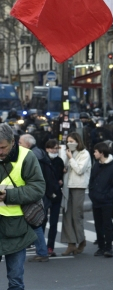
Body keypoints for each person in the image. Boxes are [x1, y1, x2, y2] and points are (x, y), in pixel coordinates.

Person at [0, 123, 45, 286]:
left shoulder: (26, 156)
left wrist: (9, 195)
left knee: (15, 280)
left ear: (12, 142)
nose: (0, 152)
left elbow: (38, 188)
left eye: (3, 147)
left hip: (17, 227)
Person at [19, 133, 59, 262]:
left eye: (20, 143)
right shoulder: (39, 152)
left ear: (28, 144)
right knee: (35, 223)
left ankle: (41, 251)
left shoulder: (32, 155)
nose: (18, 145)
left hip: (35, 194)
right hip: (41, 193)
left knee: (34, 224)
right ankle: (40, 250)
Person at [89, 141, 113, 258]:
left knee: (107, 224)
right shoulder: (96, 165)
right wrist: (92, 194)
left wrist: (107, 196)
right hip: (96, 200)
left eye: (95, 151)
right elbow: (92, 180)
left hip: (107, 201)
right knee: (98, 225)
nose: (94, 153)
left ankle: (108, 248)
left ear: (102, 153)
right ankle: (101, 247)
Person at [61, 132, 91, 255]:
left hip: (78, 186)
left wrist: (71, 158)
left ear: (78, 142)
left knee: (76, 215)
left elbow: (79, 170)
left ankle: (81, 239)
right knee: (66, 214)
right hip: (67, 185)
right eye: (68, 141)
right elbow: (65, 167)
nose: (70, 143)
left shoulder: (85, 154)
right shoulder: (67, 152)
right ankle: (71, 243)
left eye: (72, 141)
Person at [44, 139, 64, 257]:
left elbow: (60, 176)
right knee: (42, 221)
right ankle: (41, 246)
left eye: (56, 148)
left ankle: (50, 247)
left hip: (56, 193)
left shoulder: (59, 161)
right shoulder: (43, 161)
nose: (55, 150)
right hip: (46, 193)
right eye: (52, 148)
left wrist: (60, 180)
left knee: (54, 222)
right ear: (47, 149)